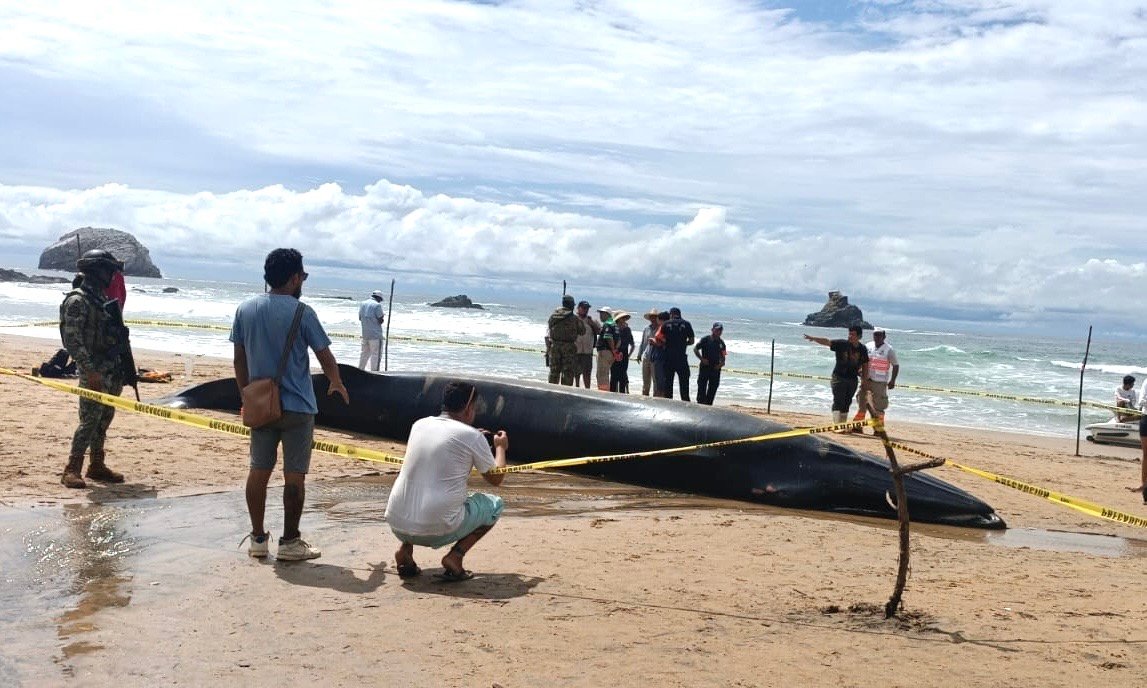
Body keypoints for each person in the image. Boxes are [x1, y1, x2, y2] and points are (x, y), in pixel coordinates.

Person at [230, 248, 350, 560]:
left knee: (259, 471)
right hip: (298, 406)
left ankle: (257, 539)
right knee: (294, 476)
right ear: (295, 277)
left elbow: (239, 358)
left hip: (260, 405)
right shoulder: (302, 312)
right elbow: (325, 356)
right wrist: (336, 382)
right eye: (303, 276)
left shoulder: (245, 309)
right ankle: (291, 542)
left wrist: (246, 394)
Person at [385, 381, 509, 581]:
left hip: (397, 522)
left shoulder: (420, 424)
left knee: (420, 488)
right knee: (494, 505)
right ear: (468, 409)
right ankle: (455, 557)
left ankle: (405, 550)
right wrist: (501, 447)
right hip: (436, 527)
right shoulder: (471, 437)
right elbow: (496, 478)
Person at [59, 249, 131, 489]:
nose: (112, 276)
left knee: (104, 419)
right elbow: (72, 340)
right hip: (93, 370)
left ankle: (96, 465)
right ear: (98, 272)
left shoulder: (101, 300)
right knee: (89, 420)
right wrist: (89, 370)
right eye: (109, 271)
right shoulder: (78, 300)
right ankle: (72, 468)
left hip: (110, 369)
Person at [804, 326, 869, 426]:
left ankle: (842, 425)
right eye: (849, 333)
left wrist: (864, 380)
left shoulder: (862, 349)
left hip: (852, 379)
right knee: (838, 401)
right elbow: (827, 342)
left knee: (847, 403)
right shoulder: (842, 344)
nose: (850, 336)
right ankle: (837, 425)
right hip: (838, 377)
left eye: (853, 334)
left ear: (859, 336)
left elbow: (865, 364)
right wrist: (813, 338)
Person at [852, 327, 900, 431]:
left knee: (878, 407)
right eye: (875, 335)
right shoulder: (868, 346)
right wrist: (859, 371)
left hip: (879, 382)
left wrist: (892, 381)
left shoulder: (889, 350)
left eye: (879, 335)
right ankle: (857, 427)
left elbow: (895, 365)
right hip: (866, 380)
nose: (877, 337)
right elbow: (861, 361)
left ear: (884, 336)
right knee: (862, 404)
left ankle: (878, 430)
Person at [545, 295, 585, 385]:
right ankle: (565, 393)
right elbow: (582, 331)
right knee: (568, 372)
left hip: (555, 346)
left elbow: (549, 326)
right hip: (568, 347)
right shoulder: (574, 318)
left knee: (554, 371)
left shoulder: (554, 316)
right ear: (571, 305)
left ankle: (551, 390)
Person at [658, 307, 695, 401]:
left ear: (671, 314)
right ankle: (685, 403)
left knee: (668, 383)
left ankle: (668, 404)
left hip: (669, 357)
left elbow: (659, 338)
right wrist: (683, 343)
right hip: (681, 357)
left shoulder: (666, 324)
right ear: (679, 314)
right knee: (684, 383)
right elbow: (692, 341)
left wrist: (667, 342)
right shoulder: (687, 324)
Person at [694, 322, 727, 405]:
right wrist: (701, 359)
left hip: (715, 369)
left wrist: (721, 364)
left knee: (713, 388)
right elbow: (695, 348)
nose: (719, 332)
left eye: (720, 330)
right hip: (705, 367)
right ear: (712, 330)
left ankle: (709, 404)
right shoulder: (705, 339)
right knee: (701, 386)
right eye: (717, 330)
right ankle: (701, 403)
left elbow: (723, 358)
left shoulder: (721, 343)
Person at [574, 300, 600, 389]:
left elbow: (599, 331)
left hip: (588, 351)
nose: (585, 310)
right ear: (578, 308)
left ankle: (587, 389)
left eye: (587, 308)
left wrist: (592, 324)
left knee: (587, 373)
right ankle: (576, 387)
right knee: (575, 372)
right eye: (584, 308)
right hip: (576, 350)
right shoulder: (573, 319)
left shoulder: (592, 320)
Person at [358, 289, 386, 371]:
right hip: (375, 335)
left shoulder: (363, 304)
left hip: (365, 334)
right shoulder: (377, 305)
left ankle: (360, 370)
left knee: (364, 354)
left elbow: (360, 318)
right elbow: (380, 320)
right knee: (376, 355)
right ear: (378, 298)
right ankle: (375, 372)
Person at [635, 308, 660, 396]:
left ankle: (655, 400)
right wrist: (639, 354)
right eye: (651, 317)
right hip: (646, 356)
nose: (653, 319)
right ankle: (645, 398)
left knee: (655, 381)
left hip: (655, 358)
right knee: (645, 381)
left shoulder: (660, 329)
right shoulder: (646, 329)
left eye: (654, 317)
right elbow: (643, 342)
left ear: (657, 318)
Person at [610, 312, 635, 393]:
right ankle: (612, 395)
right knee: (614, 377)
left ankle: (622, 395)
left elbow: (632, 345)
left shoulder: (627, 329)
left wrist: (628, 355)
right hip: (615, 354)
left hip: (624, 355)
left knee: (622, 377)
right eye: (622, 318)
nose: (623, 320)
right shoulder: (613, 329)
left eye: (624, 318)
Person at [595, 306, 618, 391]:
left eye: (602, 314)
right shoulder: (615, 325)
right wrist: (615, 351)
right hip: (610, 353)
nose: (600, 316)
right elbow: (619, 340)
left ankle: (603, 393)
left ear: (607, 314)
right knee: (605, 373)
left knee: (601, 374)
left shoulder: (607, 324)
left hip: (604, 352)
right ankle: (605, 391)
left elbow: (609, 337)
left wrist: (613, 350)